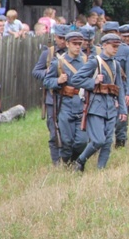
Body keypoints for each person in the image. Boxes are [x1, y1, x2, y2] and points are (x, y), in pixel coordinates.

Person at [71, 34, 128, 172]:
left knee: (108, 142)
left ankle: (100, 170)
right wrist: (93, 81)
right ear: (105, 45)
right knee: (98, 140)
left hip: (110, 106)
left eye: (117, 47)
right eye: (113, 46)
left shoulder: (116, 64)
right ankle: (80, 160)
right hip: (95, 106)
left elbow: (118, 88)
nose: (116, 49)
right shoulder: (94, 62)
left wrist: (123, 110)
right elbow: (75, 80)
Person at [43, 31, 89, 165]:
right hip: (65, 105)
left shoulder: (86, 61)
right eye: (74, 44)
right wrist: (58, 80)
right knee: (66, 140)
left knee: (82, 141)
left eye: (79, 44)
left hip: (81, 105)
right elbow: (46, 82)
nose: (77, 47)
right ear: (67, 44)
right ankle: (66, 162)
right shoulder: (59, 63)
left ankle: (75, 160)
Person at [32, 24, 69, 165]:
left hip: (69, 97)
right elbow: (36, 71)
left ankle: (67, 159)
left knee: (68, 131)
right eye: (61, 38)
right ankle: (56, 163)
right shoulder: (48, 53)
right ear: (55, 37)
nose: (63, 41)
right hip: (52, 98)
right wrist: (47, 73)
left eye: (66, 38)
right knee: (54, 132)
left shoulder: (73, 54)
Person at [102, 22, 129, 148]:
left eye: (113, 32)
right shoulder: (99, 50)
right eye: (107, 32)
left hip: (121, 89)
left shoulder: (125, 49)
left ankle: (120, 145)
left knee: (121, 121)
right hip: (105, 91)